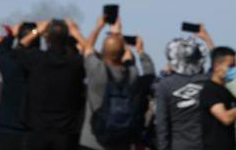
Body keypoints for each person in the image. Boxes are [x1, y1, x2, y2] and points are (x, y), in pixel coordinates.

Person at [79, 14, 155, 150]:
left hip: (92, 141)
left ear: (102, 52)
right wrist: (121, 36)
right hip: (121, 140)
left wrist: (98, 26)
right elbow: (129, 59)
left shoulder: (97, 71)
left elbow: (88, 48)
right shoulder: (132, 74)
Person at [15, 19, 86, 150]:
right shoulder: (75, 64)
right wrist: (76, 34)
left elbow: (19, 47)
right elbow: (91, 56)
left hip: (37, 132)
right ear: (66, 39)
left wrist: (37, 30)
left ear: (47, 38)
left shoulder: (37, 59)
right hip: (65, 135)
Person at [155, 25, 213, 150]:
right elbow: (221, 67)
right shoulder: (208, 81)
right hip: (205, 144)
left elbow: (162, 124)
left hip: (179, 145)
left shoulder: (165, 85)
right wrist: (208, 40)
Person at [0, 22, 38, 150]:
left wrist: (11, 35)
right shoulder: (43, 64)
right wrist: (36, 33)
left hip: (7, 129)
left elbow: (1, 50)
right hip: (32, 131)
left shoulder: (9, 61)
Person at [199, 46, 236, 150]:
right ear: (216, 66)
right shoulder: (210, 90)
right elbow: (225, 118)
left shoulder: (226, 90)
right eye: (231, 66)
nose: (234, 70)